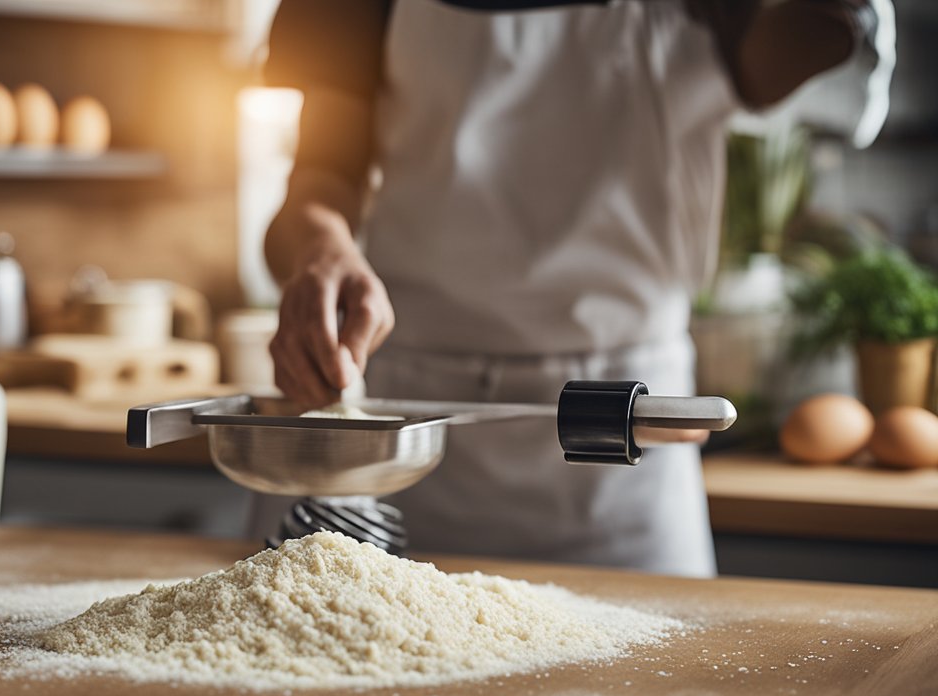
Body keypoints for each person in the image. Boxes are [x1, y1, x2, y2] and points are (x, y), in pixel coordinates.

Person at [260, 0, 892, 576]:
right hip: (404, 433)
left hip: (625, 444)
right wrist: (321, 242)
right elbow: (320, 175)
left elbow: (814, 39)